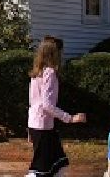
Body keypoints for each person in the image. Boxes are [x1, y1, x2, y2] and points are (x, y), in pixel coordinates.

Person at [27, 36, 87, 177]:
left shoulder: (37, 72)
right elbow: (46, 104)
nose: (62, 55)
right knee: (42, 169)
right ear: (54, 53)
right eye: (61, 52)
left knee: (59, 163)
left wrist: (29, 129)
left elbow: (33, 103)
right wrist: (71, 118)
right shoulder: (49, 73)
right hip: (42, 127)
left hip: (40, 126)